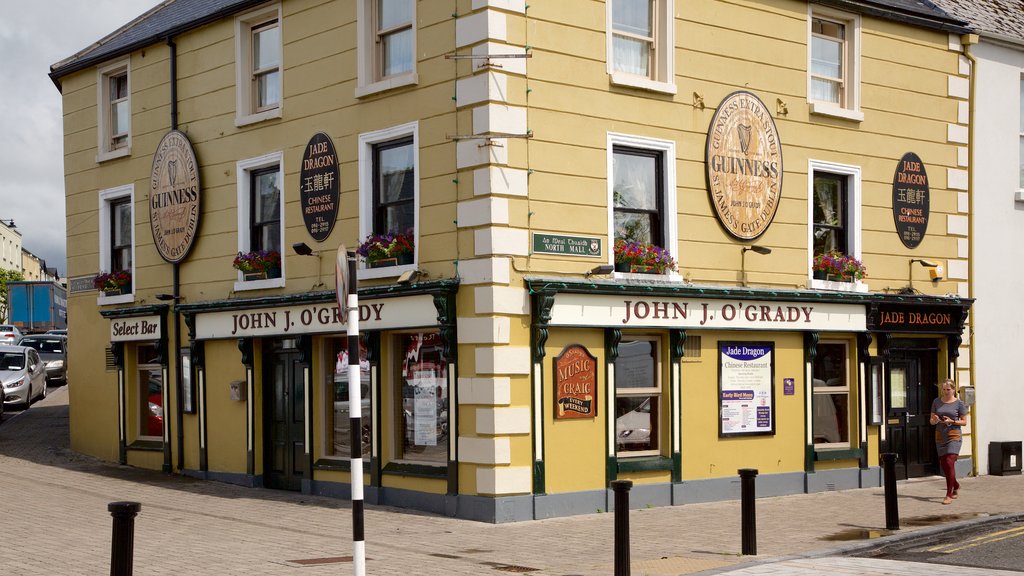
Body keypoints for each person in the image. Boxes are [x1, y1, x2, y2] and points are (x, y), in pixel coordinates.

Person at [929, 378, 967, 505]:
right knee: (944, 463)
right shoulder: (936, 401)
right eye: (944, 389)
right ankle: (955, 485)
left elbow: (964, 421)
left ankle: (949, 494)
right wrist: (934, 420)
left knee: (949, 461)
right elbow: (931, 420)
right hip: (940, 434)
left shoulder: (959, 403)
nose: (946, 392)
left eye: (948, 390)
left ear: (953, 389)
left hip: (954, 435)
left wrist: (952, 421)